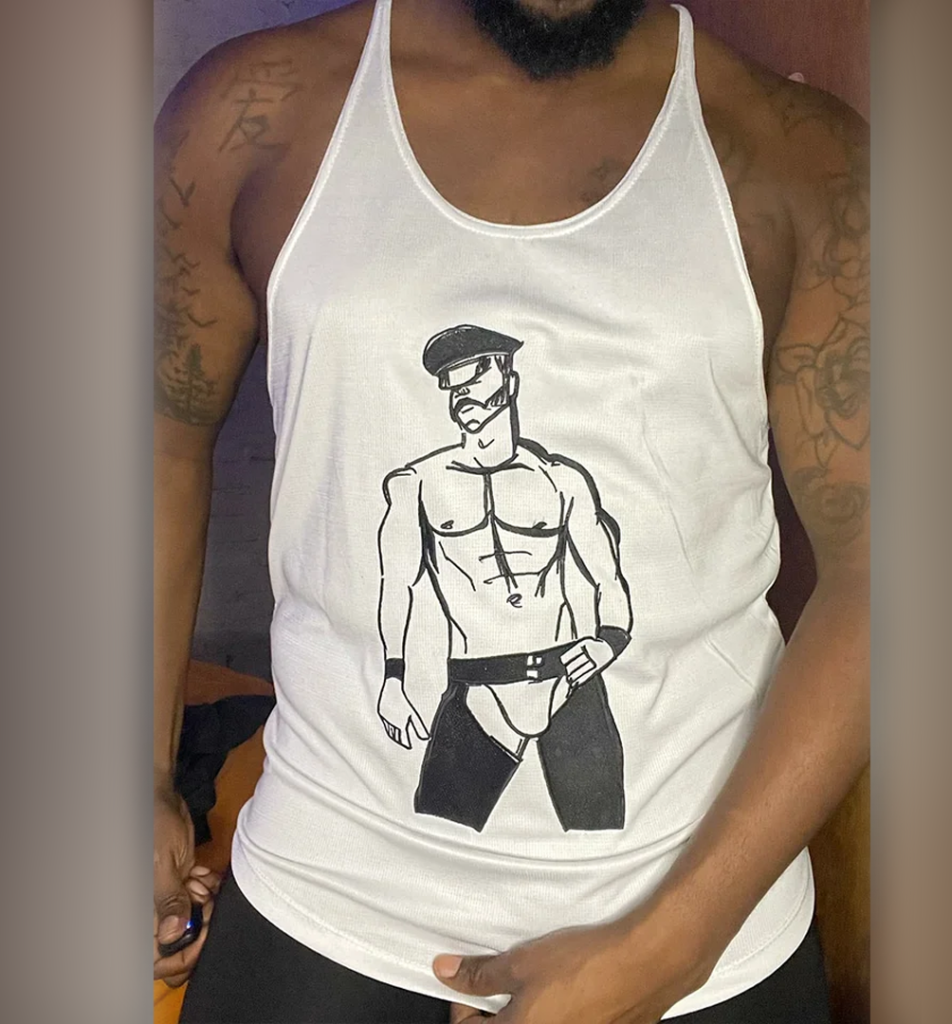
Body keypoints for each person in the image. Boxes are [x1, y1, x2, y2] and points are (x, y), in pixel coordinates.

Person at [153, 1, 869, 1022]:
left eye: (486, 376)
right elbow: (159, 448)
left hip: (696, 918)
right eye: (458, 384)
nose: (472, 395)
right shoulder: (252, 115)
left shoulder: (802, 157)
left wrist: (672, 946)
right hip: (336, 883)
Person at [377, 324, 633, 831]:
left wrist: (610, 640)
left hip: (567, 681)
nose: (462, 392)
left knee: (600, 830)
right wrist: (392, 678)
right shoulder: (416, 485)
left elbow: (608, 576)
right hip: (480, 687)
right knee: (439, 829)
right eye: (451, 383)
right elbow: (396, 585)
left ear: (509, 381)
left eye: (474, 375)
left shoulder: (562, 480)